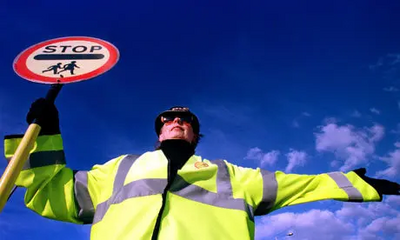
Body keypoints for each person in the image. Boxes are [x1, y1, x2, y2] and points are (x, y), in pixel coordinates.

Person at [4, 98, 400, 240]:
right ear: (160, 133)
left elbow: (297, 184)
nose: (177, 122)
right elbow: (52, 193)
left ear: (196, 135)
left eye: (186, 121)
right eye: (169, 120)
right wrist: (45, 135)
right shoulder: (117, 169)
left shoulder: (231, 174)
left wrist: (355, 183)